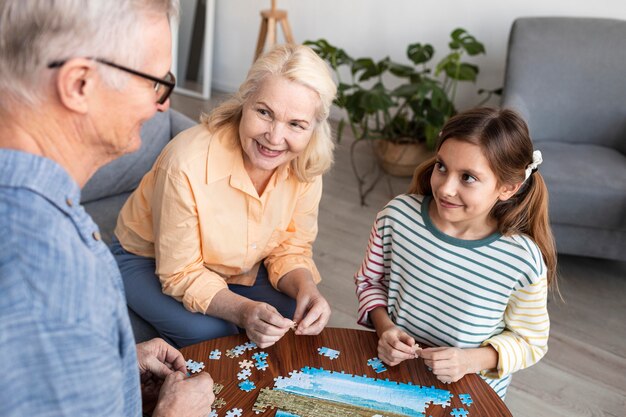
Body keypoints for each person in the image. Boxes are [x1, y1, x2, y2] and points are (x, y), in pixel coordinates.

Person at [0, 1, 214, 416]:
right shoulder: (50, 272)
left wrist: (112, 367)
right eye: (156, 82)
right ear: (80, 84)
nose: (163, 105)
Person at [111, 43, 336, 348]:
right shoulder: (185, 164)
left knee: (293, 320)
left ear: (314, 129)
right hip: (147, 259)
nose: (274, 137)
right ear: (245, 101)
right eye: (264, 112)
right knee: (212, 334)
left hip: (241, 264)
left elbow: (290, 247)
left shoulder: (306, 164)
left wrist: (306, 288)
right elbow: (180, 272)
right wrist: (243, 312)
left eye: (296, 124)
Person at [354, 107, 557, 399]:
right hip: (390, 373)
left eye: (468, 178)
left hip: (468, 394)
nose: (446, 188)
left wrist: (470, 361)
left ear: (508, 188)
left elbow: (531, 342)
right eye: (442, 166)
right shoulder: (396, 217)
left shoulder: (521, 260)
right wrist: (385, 329)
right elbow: (369, 283)